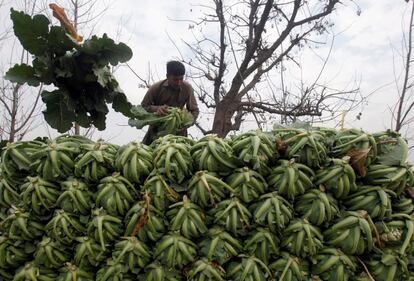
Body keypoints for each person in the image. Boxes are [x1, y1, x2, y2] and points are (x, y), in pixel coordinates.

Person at [141, 61, 199, 145]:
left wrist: (186, 123)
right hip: (156, 132)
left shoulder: (187, 88)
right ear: (167, 76)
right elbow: (143, 107)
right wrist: (157, 108)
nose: (179, 83)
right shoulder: (156, 88)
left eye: (181, 79)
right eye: (175, 80)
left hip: (179, 134)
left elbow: (194, 110)